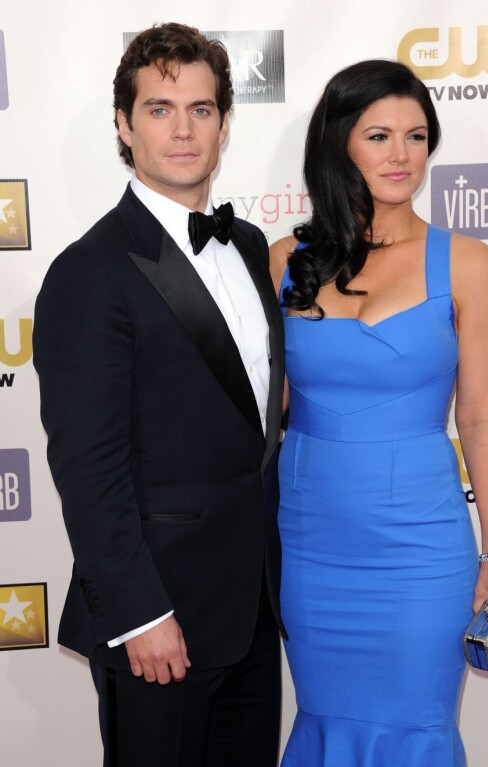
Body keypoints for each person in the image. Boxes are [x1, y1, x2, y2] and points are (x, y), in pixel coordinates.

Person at [270, 59, 488, 766]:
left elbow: (481, 419)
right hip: (309, 542)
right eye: (379, 135)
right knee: (323, 714)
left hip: (418, 548)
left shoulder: (467, 264)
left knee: (417, 727)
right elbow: (268, 410)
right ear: (338, 145)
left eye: (417, 137)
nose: (401, 155)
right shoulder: (282, 263)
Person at [34, 22, 285, 767]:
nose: (183, 129)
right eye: (159, 108)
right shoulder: (91, 272)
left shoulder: (246, 247)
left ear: (225, 124)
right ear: (124, 123)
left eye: (201, 109)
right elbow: (88, 469)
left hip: (250, 608)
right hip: (160, 619)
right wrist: (143, 611)